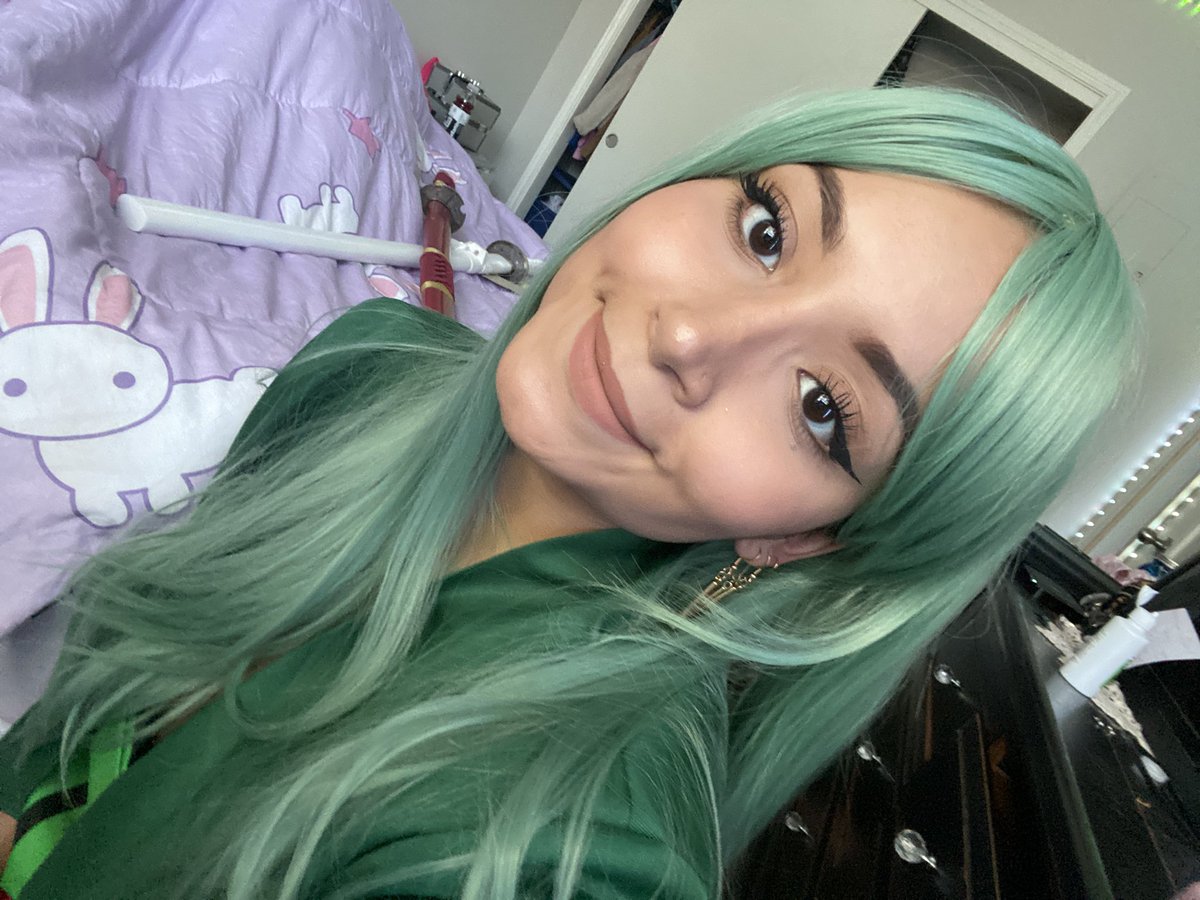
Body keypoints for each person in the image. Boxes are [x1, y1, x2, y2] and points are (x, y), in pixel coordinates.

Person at [0, 87, 1136, 899]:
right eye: (766, 230)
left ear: (810, 541)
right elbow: (90, 718)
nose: (690, 335)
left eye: (821, 407)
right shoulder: (367, 363)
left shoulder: (569, 850)